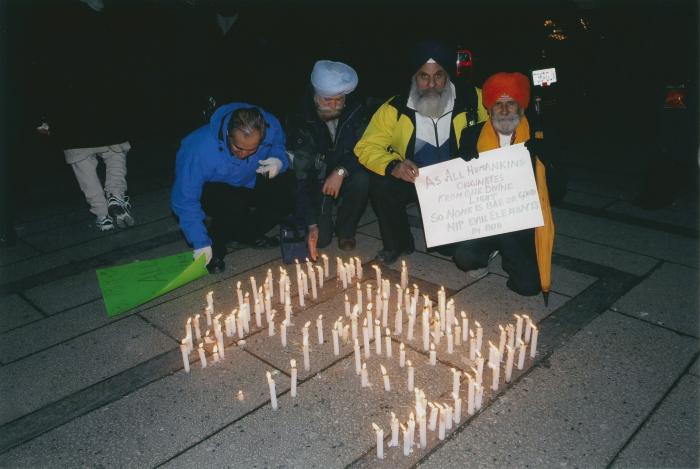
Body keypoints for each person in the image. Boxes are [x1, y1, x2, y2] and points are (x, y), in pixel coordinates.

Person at [354, 40, 488, 265]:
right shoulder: (395, 108)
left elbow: (504, 122)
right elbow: (366, 146)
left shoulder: (473, 99)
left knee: (448, 250)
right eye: (424, 76)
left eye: (439, 75)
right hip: (415, 178)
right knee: (382, 183)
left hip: (459, 184)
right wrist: (393, 165)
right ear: (414, 77)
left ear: (448, 76)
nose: (432, 84)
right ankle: (398, 243)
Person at [452, 72, 555, 299]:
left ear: (521, 107)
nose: (505, 110)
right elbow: (455, 189)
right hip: (483, 218)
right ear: (489, 108)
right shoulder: (471, 135)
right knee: (464, 257)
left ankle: (509, 253)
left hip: (520, 225)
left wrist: (548, 163)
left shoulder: (539, 137)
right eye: (498, 104)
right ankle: (488, 251)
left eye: (511, 103)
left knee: (528, 287)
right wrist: (461, 161)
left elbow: (558, 194)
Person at [35, 0, 135, 232]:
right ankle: (116, 195)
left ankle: (102, 215)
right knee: (116, 154)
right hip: (106, 107)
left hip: (71, 113)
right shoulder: (109, 22)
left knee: (83, 165)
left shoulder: (55, 21)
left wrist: (43, 116)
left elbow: (44, 72)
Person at [171, 103, 293, 273]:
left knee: (286, 192)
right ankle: (214, 248)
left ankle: (247, 234)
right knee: (232, 204)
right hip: (215, 189)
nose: (243, 154)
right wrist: (199, 242)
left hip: (250, 178)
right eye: (238, 147)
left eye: (252, 149)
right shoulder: (198, 148)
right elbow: (185, 200)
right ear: (228, 133)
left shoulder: (271, 124)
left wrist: (279, 161)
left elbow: (279, 145)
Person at [287, 60, 372, 260]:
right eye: (327, 100)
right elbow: (301, 175)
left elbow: (366, 148)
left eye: (339, 100)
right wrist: (311, 224)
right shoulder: (301, 119)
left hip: (347, 168)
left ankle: (346, 231)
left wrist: (341, 170)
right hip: (317, 176)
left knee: (362, 179)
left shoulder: (356, 109)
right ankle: (322, 222)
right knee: (322, 239)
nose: (334, 106)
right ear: (316, 96)